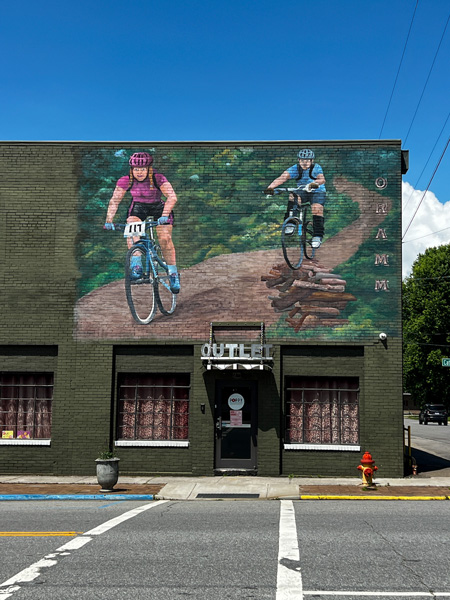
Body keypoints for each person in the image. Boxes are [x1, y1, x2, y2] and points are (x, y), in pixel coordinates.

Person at [104, 152, 180, 293]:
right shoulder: (126, 181)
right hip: (139, 207)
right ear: (132, 169)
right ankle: (136, 265)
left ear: (149, 169)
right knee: (131, 226)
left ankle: (173, 272)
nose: (139, 172)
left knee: (164, 239)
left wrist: (164, 215)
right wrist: (109, 220)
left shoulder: (158, 178)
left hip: (159, 207)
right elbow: (115, 200)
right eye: (136, 169)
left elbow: (172, 197)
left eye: (143, 169)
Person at [264, 148, 326, 248]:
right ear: (298, 160)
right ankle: (291, 223)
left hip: (317, 191)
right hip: (303, 190)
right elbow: (282, 178)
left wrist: (314, 184)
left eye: (307, 161)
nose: (304, 163)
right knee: (293, 196)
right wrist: (270, 188)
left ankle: (317, 236)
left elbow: (322, 179)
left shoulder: (316, 167)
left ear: (311, 161)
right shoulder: (295, 168)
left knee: (316, 209)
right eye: (302, 160)